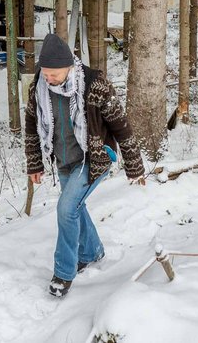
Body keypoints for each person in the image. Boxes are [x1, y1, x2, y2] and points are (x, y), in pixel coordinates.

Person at [24, 33, 145, 298]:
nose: (49, 79)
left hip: (94, 159)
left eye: (53, 74)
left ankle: (64, 272)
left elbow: (121, 125)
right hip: (64, 159)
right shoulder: (39, 88)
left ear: (69, 66)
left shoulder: (94, 84)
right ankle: (92, 251)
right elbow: (32, 127)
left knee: (66, 209)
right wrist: (35, 163)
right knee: (75, 208)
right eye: (45, 73)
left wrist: (134, 165)